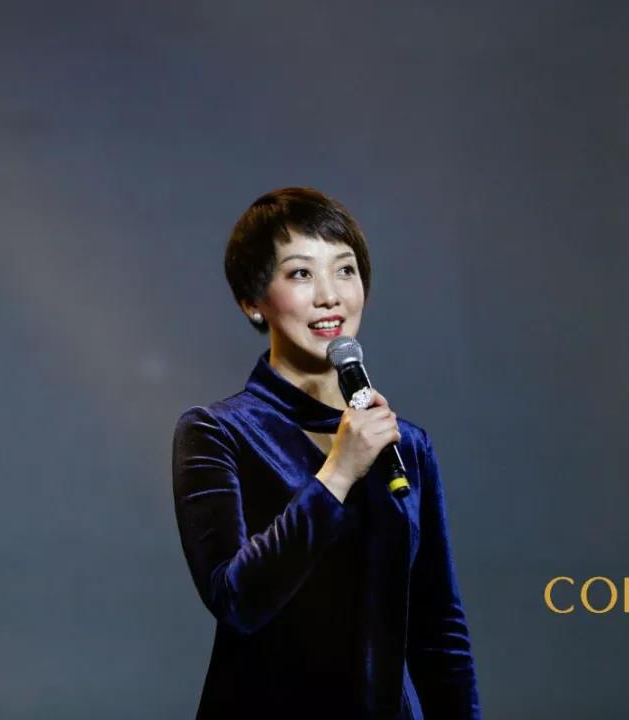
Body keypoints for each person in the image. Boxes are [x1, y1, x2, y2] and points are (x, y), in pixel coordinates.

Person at [172, 187, 481, 719]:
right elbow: (237, 601)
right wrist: (337, 472)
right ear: (252, 301)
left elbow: (439, 632)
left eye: (345, 270)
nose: (330, 296)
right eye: (300, 273)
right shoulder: (217, 432)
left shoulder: (405, 444)